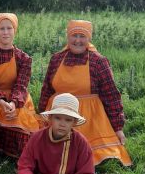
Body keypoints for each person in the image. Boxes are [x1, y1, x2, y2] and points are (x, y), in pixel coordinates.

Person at [38, 20, 131, 166]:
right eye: (74, 35)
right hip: (58, 116)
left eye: (82, 36)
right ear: (68, 37)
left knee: (87, 155)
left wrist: (117, 128)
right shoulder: (56, 59)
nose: (77, 40)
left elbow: (111, 96)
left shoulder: (98, 62)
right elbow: (47, 90)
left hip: (89, 120)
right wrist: (42, 115)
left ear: (89, 38)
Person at [16, 93, 106, 174]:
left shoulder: (81, 142)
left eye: (68, 120)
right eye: (58, 118)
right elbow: (24, 167)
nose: (62, 124)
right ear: (50, 118)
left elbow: (86, 173)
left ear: (74, 122)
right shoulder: (36, 138)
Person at [0, 13, 41, 159]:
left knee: (20, 115)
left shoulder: (24, 58)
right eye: (1, 29)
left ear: (14, 30)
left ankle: (20, 155)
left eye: (9, 28)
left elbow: (21, 85)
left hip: (16, 97)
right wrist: (1, 101)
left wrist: (13, 102)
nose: (5, 32)